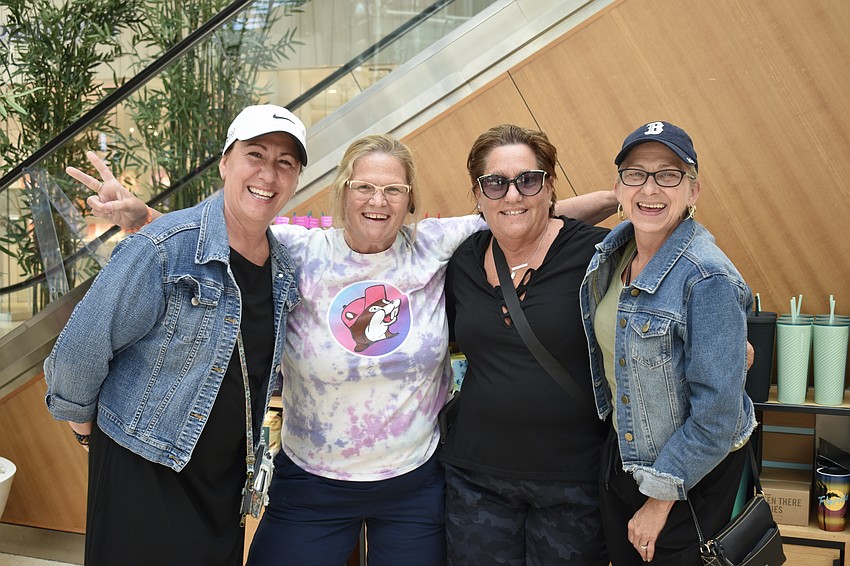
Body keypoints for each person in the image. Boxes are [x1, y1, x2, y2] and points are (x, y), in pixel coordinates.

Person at [82, 125, 617, 564]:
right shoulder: (296, 249)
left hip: (414, 482)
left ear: (410, 199)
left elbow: (523, 214)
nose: (377, 201)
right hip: (312, 482)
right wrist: (143, 217)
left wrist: (628, 200)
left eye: (393, 190)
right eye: (364, 187)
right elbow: (218, 234)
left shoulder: (433, 244)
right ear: (342, 192)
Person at [44, 104, 307, 565]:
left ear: (297, 178)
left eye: (285, 162)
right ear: (225, 162)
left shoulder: (282, 267)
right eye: (255, 154)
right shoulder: (162, 248)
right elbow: (78, 351)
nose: (269, 174)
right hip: (143, 471)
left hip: (223, 484)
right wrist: (89, 434)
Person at [579, 121, 756, 565]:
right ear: (618, 189)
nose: (650, 188)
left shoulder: (707, 277)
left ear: (694, 190)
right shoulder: (614, 253)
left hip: (686, 476)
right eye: (636, 174)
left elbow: (717, 416)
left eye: (668, 174)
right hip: (625, 452)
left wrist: (659, 501)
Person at [440, 124, 610, 565]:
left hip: (575, 483)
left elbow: (673, 284)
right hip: (476, 480)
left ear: (550, 186)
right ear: (478, 195)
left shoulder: (598, 253)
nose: (512, 195)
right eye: (495, 183)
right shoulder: (461, 260)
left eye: (528, 180)